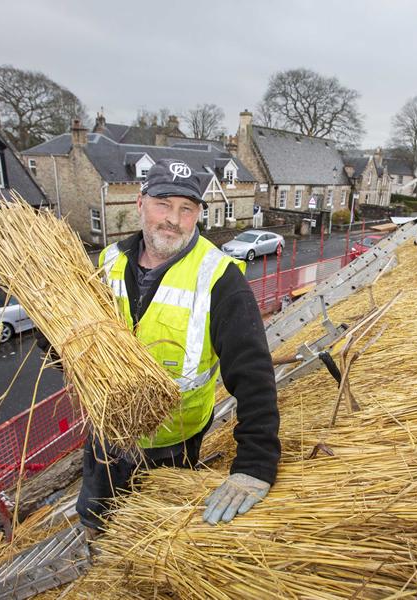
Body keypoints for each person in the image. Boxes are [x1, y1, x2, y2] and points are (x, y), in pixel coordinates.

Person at [75, 158, 280, 530]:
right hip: (107, 433)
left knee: (155, 534)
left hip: (173, 443)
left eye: (186, 209)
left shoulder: (219, 277)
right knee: (95, 516)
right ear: (140, 203)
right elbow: (81, 347)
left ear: (199, 214)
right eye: (163, 204)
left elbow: (254, 374)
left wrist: (255, 464)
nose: (173, 219)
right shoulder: (108, 262)